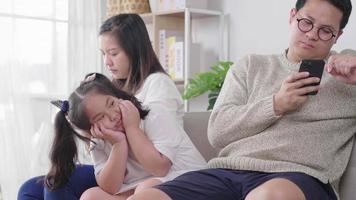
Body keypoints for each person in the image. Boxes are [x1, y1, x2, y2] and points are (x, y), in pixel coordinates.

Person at [127, 0, 356, 200]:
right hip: (227, 172)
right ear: (292, 16)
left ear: (338, 36)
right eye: (306, 22)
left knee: (268, 196)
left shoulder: (348, 76)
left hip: (301, 177)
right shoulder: (250, 66)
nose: (312, 34)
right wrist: (275, 105)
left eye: (326, 30)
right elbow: (217, 132)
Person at [17, 13, 202, 200]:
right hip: (126, 169)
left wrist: (124, 129)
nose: (107, 62)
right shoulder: (111, 88)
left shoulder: (156, 87)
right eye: (103, 54)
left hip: (156, 173)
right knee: (33, 188)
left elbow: (159, 155)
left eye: (113, 53)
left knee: (139, 188)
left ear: (135, 50)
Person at [48, 73, 205, 200]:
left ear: (117, 96)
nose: (113, 115)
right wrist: (118, 144)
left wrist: (132, 128)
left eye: (111, 103)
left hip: (184, 179)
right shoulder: (99, 141)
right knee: (90, 196)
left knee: (145, 190)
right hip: (139, 188)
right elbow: (110, 187)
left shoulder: (155, 114)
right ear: (92, 130)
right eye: (100, 118)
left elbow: (160, 168)